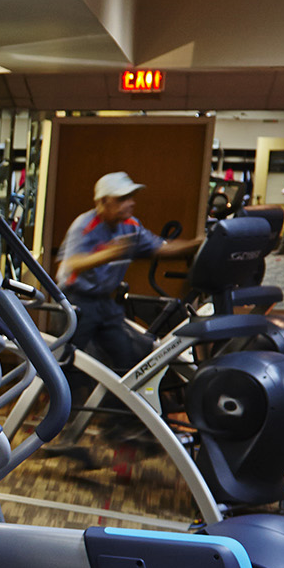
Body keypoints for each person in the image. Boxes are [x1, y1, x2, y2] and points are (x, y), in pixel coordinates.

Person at [55, 172, 202, 407]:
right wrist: (108, 254)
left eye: (131, 197)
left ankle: (120, 417)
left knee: (126, 356)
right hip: (77, 300)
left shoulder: (131, 226)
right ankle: (61, 413)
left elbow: (161, 248)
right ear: (102, 202)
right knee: (69, 361)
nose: (131, 203)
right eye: (122, 199)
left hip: (106, 301)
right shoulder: (85, 225)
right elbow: (72, 263)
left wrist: (198, 244)